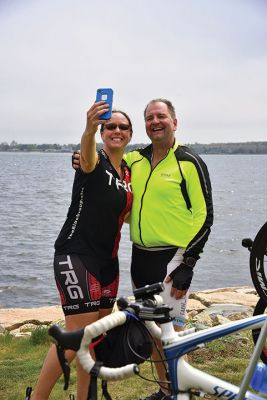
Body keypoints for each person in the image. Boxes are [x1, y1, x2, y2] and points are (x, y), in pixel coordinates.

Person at [73, 98, 213, 400]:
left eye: (161, 116)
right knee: (153, 333)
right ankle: (166, 391)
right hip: (140, 257)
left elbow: (205, 216)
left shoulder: (189, 161)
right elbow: (105, 164)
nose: (155, 122)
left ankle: (182, 393)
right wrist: (81, 157)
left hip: (172, 259)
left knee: (171, 334)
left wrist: (188, 263)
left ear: (174, 122)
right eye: (149, 118)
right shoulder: (135, 160)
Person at [31, 99, 133, 400]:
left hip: (108, 262)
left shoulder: (127, 172)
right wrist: (88, 128)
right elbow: (85, 155)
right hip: (76, 255)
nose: (116, 130)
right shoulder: (93, 160)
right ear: (102, 132)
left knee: (95, 338)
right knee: (76, 336)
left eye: (122, 126)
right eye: (109, 126)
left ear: (130, 133)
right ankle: (35, 398)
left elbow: (125, 215)